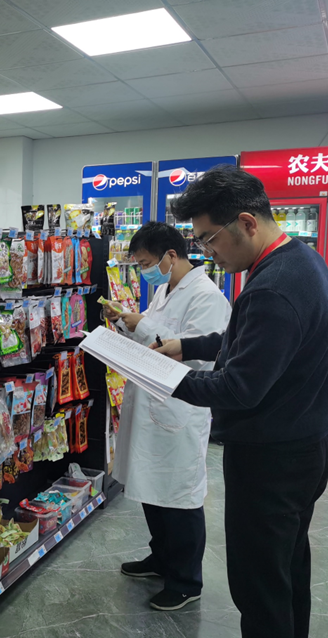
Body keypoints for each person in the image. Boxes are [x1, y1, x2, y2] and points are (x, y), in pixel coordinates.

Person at [153, 165, 328, 638]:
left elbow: (239, 387)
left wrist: (161, 376)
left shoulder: (273, 287)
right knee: (286, 567)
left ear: (247, 223)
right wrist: (187, 347)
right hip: (305, 443)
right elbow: (250, 339)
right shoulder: (297, 259)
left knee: (259, 585)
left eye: (209, 238)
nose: (206, 251)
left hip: (271, 460)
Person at [103, 221, 230, 612]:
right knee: (152, 489)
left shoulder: (207, 297)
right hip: (152, 405)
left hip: (179, 411)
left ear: (171, 256)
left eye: (146, 263)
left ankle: (186, 579)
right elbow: (151, 338)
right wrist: (123, 323)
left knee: (179, 496)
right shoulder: (164, 290)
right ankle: (161, 558)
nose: (145, 271)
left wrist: (143, 325)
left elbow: (200, 356)